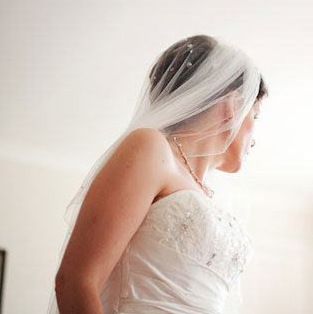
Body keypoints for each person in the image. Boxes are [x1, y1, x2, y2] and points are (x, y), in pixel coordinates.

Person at [48, 35, 269, 314]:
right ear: (232, 106)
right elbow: (76, 281)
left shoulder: (204, 190)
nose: (254, 140)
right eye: (256, 115)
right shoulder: (150, 148)